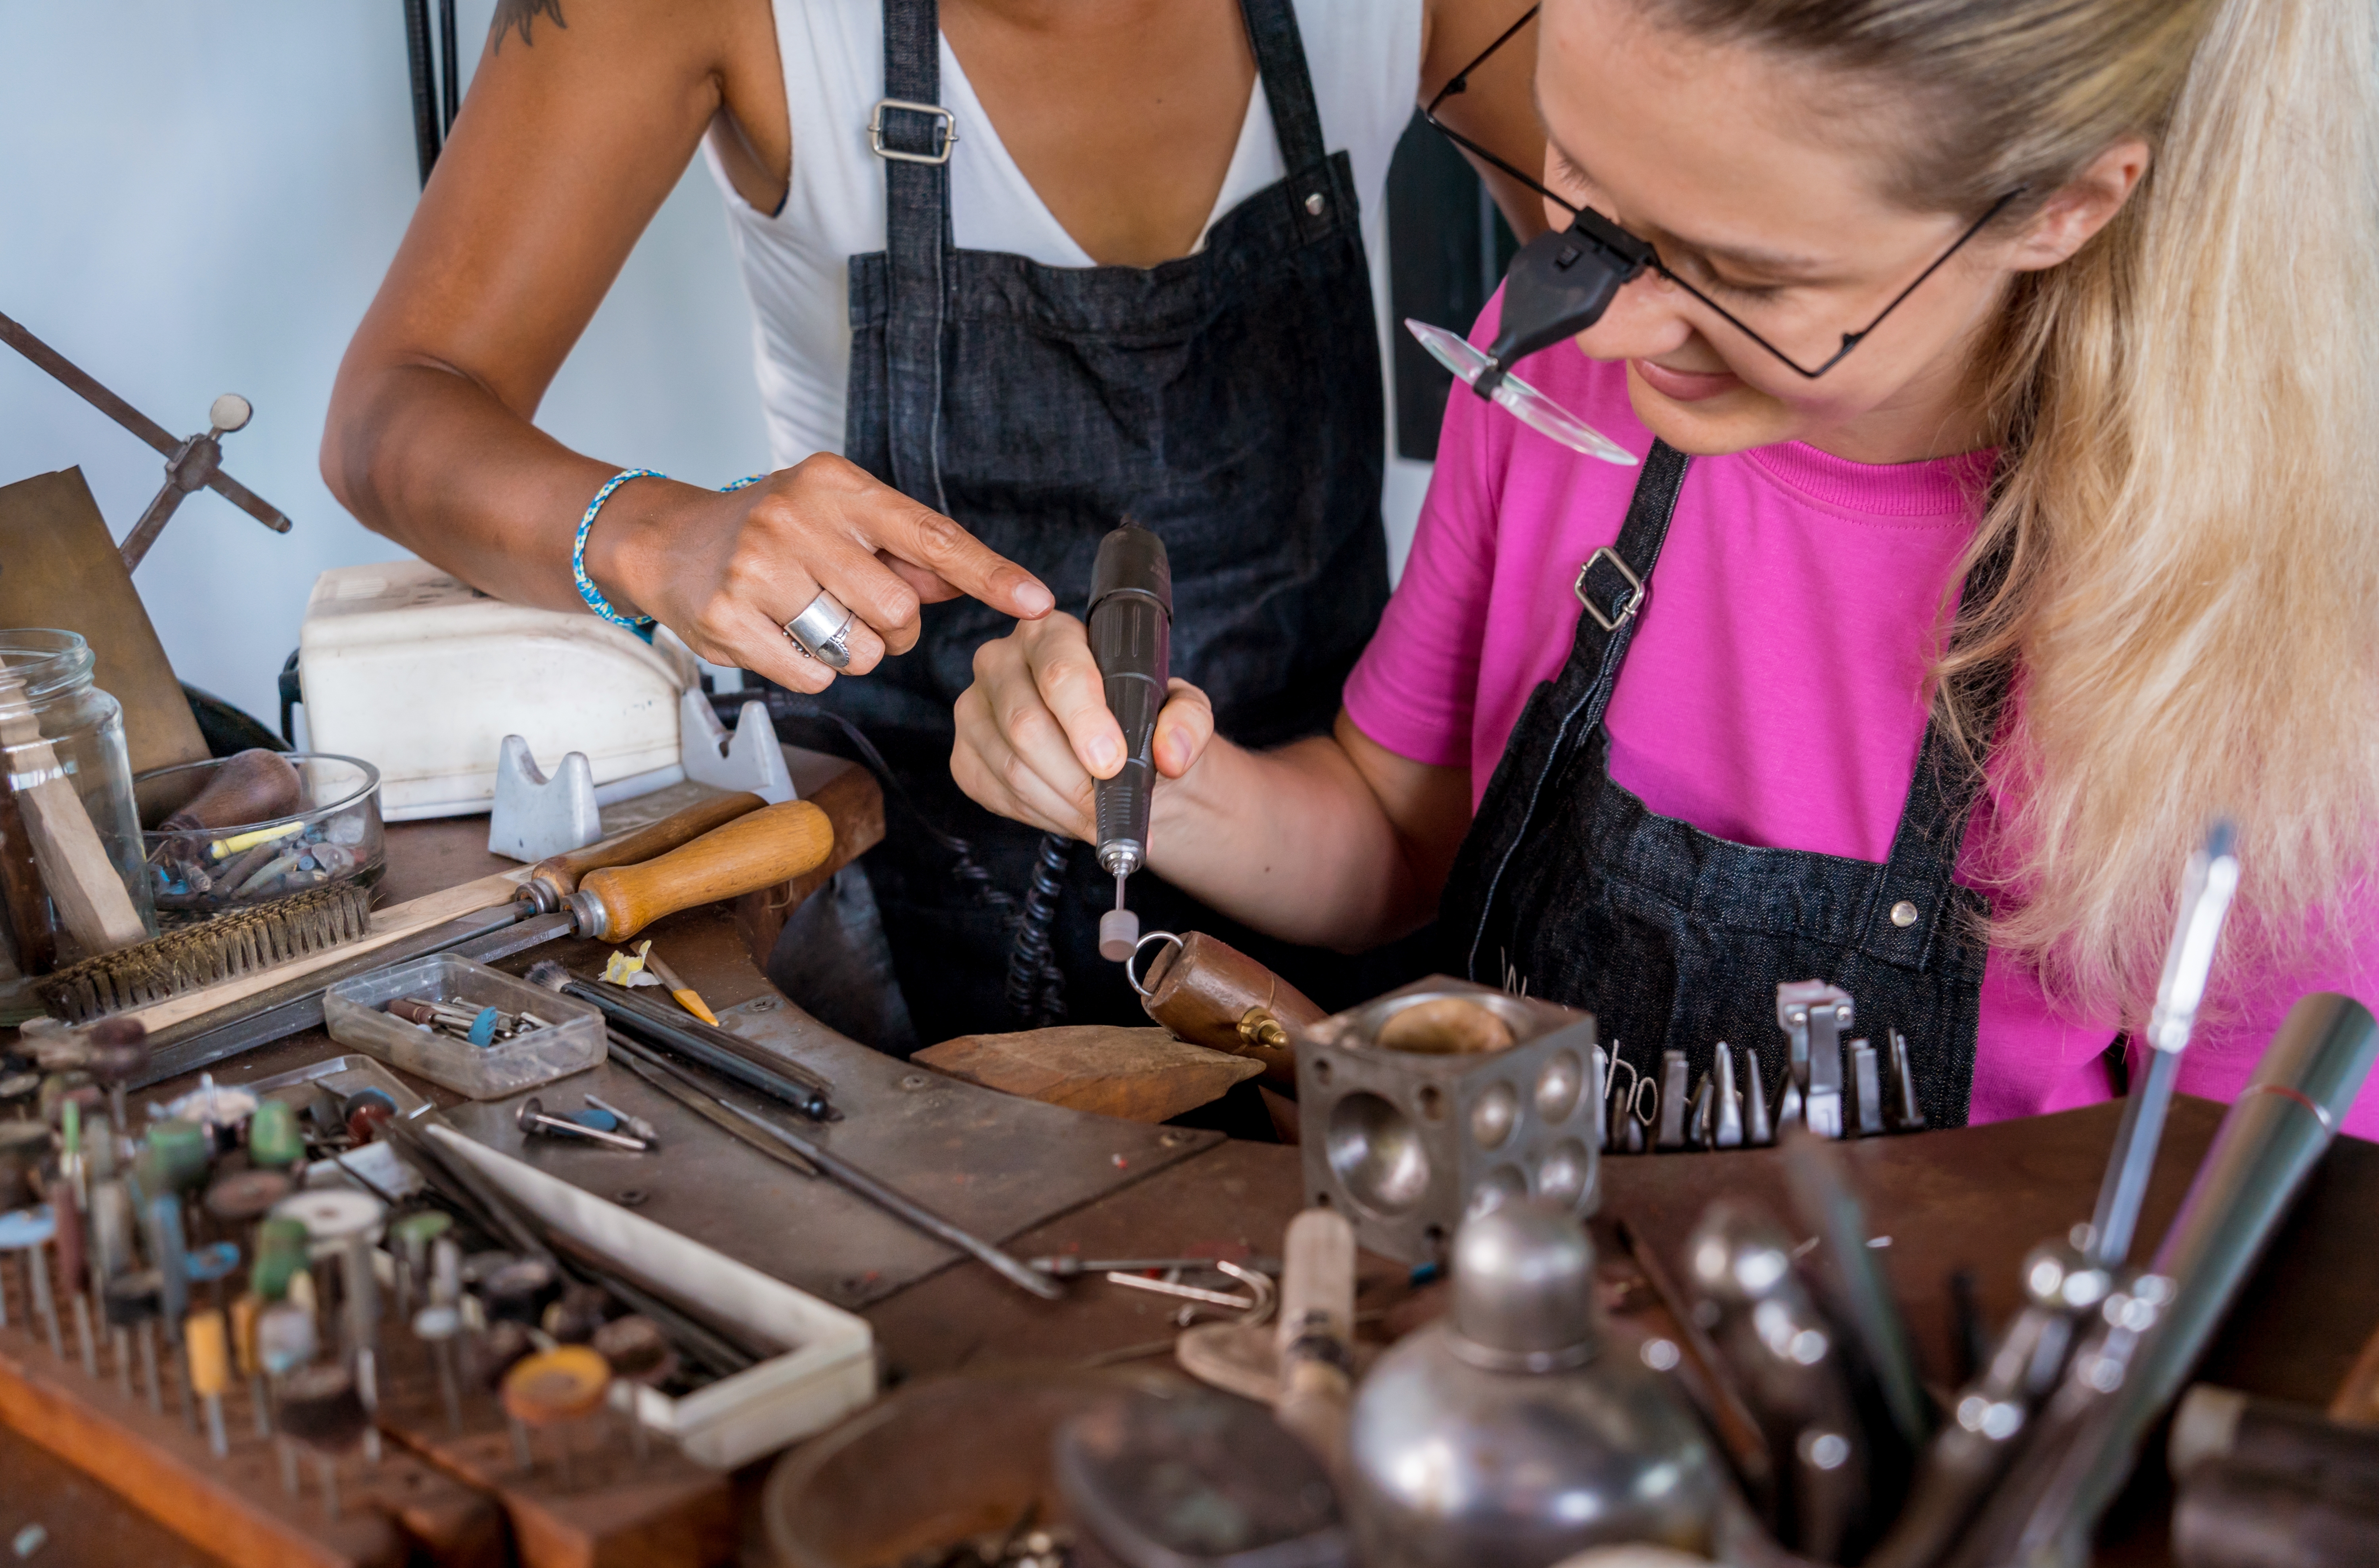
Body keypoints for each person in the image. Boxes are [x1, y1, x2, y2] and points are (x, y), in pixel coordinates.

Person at [951, 0, 2379, 1133]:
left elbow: (2260, 1228)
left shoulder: (2255, 608)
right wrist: (1152, 788)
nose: (1620, 341)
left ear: (2062, 204)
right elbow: (1401, 839)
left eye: (1746, 279)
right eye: (1585, 192)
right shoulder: (1555, 363)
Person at [323, 0, 1548, 1049]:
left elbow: (1671, 277)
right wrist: (657, 536)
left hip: (1333, 849)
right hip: (901, 886)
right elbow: (396, 408)